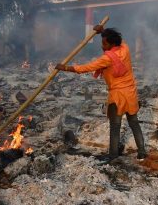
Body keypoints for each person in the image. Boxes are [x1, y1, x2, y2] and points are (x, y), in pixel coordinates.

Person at [55, 25, 147, 161]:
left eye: (105, 43)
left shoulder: (107, 58)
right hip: (131, 92)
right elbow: (120, 41)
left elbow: (87, 67)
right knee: (134, 122)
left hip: (117, 96)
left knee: (115, 126)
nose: (102, 46)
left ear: (111, 44)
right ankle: (142, 152)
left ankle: (113, 155)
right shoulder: (125, 48)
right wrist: (102, 32)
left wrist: (66, 68)